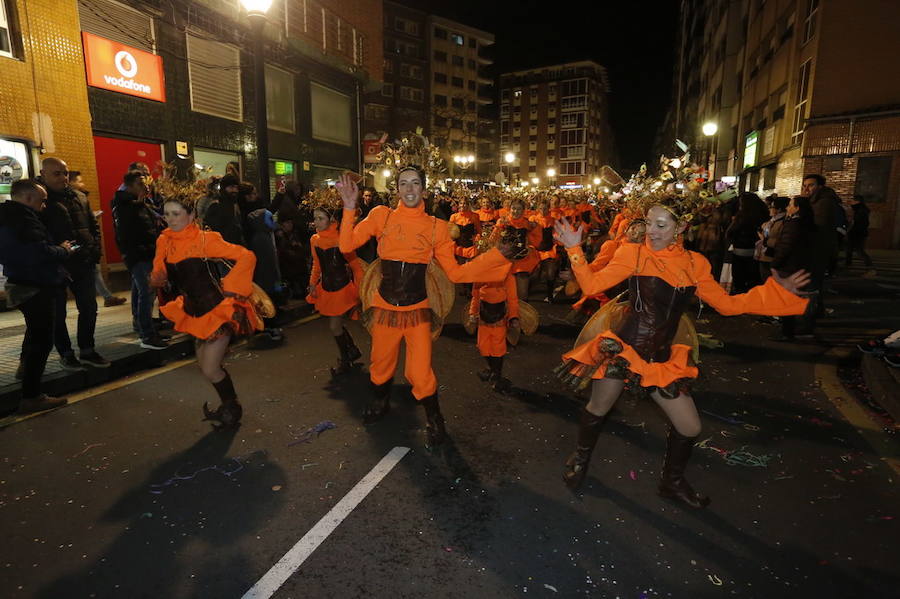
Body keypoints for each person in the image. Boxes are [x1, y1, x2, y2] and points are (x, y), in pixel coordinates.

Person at [553, 200, 810, 508]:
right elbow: (592, 284)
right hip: (624, 349)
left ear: (681, 228)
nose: (652, 231)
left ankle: (671, 483)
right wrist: (574, 249)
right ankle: (581, 457)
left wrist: (778, 292)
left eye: (661, 225)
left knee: (690, 426)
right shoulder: (632, 253)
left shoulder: (695, 264)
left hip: (661, 359)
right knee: (599, 407)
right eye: (649, 223)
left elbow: (727, 306)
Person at [336, 167, 514, 447]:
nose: (409, 189)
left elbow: (455, 274)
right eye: (403, 183)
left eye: (415, 183)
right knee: (380, 365)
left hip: (418, 310)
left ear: (424, 190)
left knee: (419, 373)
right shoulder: (381, 216)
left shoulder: (436, 227)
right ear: (396, 189)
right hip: (384, 308)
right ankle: (381, 403)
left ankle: (435, 418)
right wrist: (349, 207)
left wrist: (495, 257)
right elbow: (346, 244)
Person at [150, 192, 262, 427]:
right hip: (192, 312)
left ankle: (233, 407)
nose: (170, 219)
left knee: (210, 369)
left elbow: (246, 256)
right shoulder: (164, 240)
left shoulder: (205, 240)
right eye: (167, 214)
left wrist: (233, 287)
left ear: (191, 215)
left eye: (176, 214)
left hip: (217, 309)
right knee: (206, 367)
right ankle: (229, 404)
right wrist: (158, 275)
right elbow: (160, 267)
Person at [0, 180, 72, 413]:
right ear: (29, 198)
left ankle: (25, 372)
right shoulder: (23, 219)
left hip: (22, 282)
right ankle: (32, 395)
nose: (43, 205)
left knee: (34, 333)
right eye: (41, 200)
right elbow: (38, 253)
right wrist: (64, 250)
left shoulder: (9, 217)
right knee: (42, 340)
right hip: (34, 284)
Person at [37, 157, 110, 370]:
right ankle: (66, 353)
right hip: (56, 265)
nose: (63, 177)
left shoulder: (79, 197)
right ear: (43, 174)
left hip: (83, 262)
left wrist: (95, 250)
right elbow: (38, 233)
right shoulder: (40, 199)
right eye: (56, 173)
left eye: (65, 173)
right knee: (58, 313)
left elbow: (92, 226)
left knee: (89, 307)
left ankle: (87, 349)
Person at [112, 171, 168, 350]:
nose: (145, 187)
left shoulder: (140, 203)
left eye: (146, 183)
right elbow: (128, 234)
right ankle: (147, 336)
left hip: (148, 254)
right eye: (140, 184)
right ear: (128, 186)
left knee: (144, 293)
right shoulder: (124, 205)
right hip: (139, 257)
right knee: (147, 294)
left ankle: (147, 330)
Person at [307, 203, 364, 375]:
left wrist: (361, 289)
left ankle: (346, 360)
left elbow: (355, 266)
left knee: (334, 326)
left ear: (331, 219)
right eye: (315, 218)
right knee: (336, 325)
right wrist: (312, 283)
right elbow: (317, 264)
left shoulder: (342, 239)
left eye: (320, 218)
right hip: (326, 287)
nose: (316, 222)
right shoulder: (314, 240)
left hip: (342, 288)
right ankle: (352, 350)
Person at [68, 170, 126, 307]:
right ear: (70, 182)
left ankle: (107, 297)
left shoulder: (81, 197)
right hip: (79, 245)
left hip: (86, 243)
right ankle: (106, 297)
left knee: (95, 270)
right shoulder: (69, 199)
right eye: (79, 181)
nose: (82, 184)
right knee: (92, 271)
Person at [770, 196, 816, 341]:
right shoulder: (809, 224)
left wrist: (774, 263)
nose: (787, 208)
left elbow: (785, 247)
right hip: (801, 266)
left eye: (790, 205)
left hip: (789, 267)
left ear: (797, 208)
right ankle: (797, 329)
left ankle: (787, 332)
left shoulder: (793, 224)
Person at [468, 272, 519, 392]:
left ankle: (496, 375)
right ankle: (492, 370)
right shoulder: (480, 273)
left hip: (499, 317)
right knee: (483, 346)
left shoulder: (508, 276)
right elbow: (475, 296)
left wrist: (514, 316)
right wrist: (472, 312)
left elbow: (512, 299)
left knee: (497, 348)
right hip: (483, 316)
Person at [496, 198, 542, 301]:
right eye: (513, 208)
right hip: (505, 262)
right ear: (510, 209)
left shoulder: (528, 224)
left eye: (519, 209)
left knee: (522, 295)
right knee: (504, 295)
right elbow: (494, 239)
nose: (515, 211)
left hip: (522, 262)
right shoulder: (503, 221)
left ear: (523, 210)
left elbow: (536, 241)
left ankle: (521, 315)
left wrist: (535, 229)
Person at [726, 193, 768, 294]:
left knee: (739, 278)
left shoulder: (742, 216)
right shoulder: (763, 214)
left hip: (740, 251)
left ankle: (740, 299)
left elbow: (730, 232)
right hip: (757, 252)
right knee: (752, 279)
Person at [529, 198, 560, 302]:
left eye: (545, 208)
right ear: (538, 208)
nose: (543, 210)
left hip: (549, 250)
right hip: (535, 250)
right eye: (541, 208)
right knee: (534, 275)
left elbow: (556, 234)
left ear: (549, 209)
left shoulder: (553, 220)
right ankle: (527, 292)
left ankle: (550, 294)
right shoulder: (533, 219)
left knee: (550, 273)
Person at [204, 174, 245, 246]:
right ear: (224, 188)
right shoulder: (216, 206)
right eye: (231, 187)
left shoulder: (235, 205)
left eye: (236, 188)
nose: (235, 190)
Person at [756, 196, 788, 283]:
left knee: (770, 282)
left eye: (772, 207)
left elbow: (780, 240)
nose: (769, 208)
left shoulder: (784, 222)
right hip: (764, 254)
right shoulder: (772, 220)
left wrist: (765, 240)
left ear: (779, 209)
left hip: (772, 256)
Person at [846, 195, 874, 273]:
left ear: (858, 201)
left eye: (853, 200)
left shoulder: (861, 210)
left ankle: (869, 265)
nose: (851, 202)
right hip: (858, 233)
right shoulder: (860, 209)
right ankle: (848, 264)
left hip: (858, 233)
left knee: (859, 250)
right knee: (849, 249)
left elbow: (861, 223)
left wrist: (852, 228)